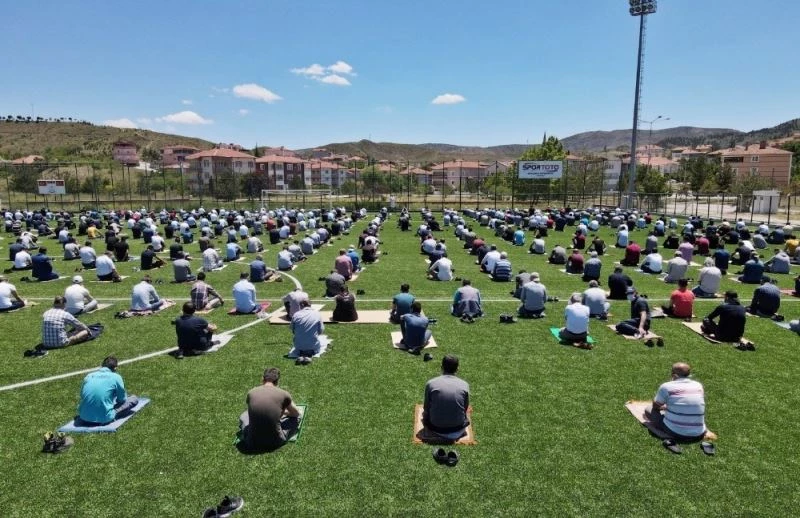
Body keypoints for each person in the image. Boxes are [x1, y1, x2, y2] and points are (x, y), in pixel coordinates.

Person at [239, 367, 301, 451]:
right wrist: (283, 412)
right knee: (297, 418)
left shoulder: (251, 392)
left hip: (252, 442)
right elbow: (296, 413)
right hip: (275, 442)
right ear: (277, 381)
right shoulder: (284, 393)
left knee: (244, 415)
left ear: (262, 379)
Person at [644, 362, 707, 441]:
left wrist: (662, 406)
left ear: (674, 375)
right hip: (699, 434)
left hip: (676, 432)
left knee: (649, 409)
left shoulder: (666, 386)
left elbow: (656, 406)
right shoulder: (698, 385)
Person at [76, 356, 139, 425]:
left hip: (84, 417)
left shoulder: (89, 376)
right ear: (115, 368)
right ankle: (107, 414)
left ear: (102, 366)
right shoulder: (116, 377)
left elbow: (82, 395)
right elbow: (122, 399)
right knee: (133, 399)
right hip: (104, 418)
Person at [422, 355, 470, 441]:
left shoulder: (431, 383)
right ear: (457, 369)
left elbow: (426, 407)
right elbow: (465, 408)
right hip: (458, 428)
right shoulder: (464, 385)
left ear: (441, 367)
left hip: (436, 428)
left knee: (425, 415)